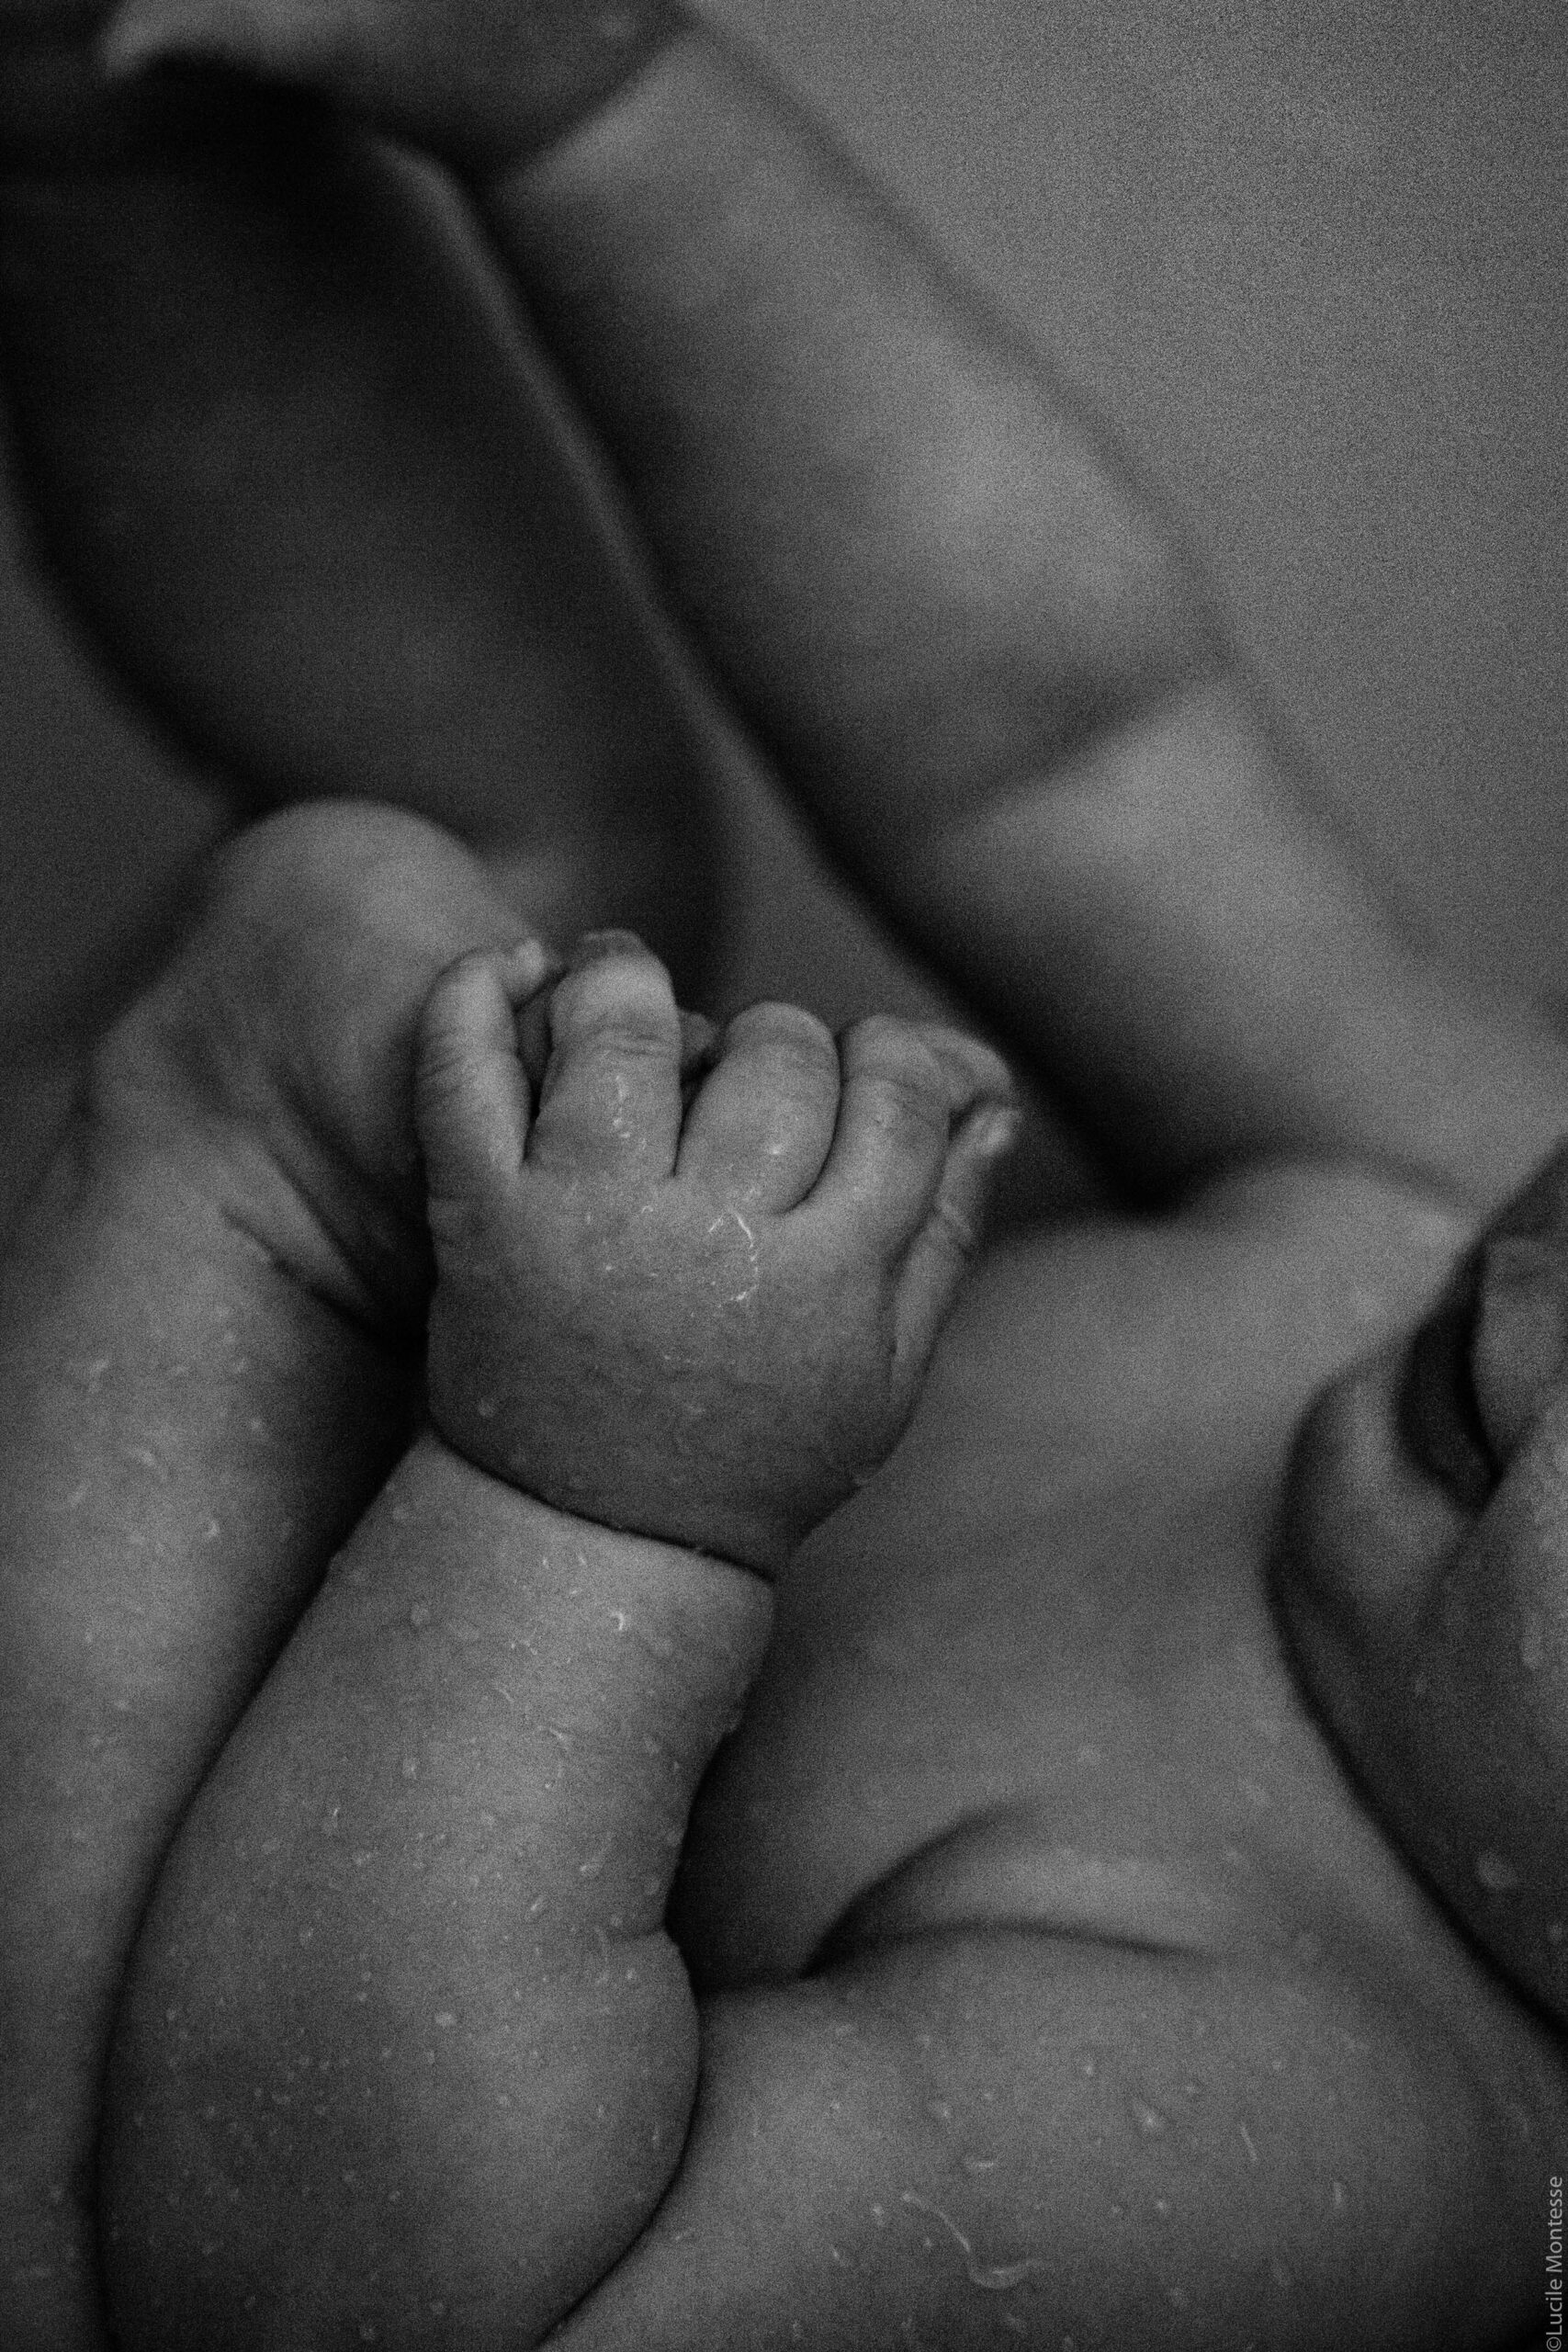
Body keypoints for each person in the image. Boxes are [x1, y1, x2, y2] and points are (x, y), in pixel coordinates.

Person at [0, 5, 1564, 2346]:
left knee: (343, 978)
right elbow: (1058, 742)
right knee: (494, 905)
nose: (1541, 1297)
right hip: (243, 1621)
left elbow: (373, 2306)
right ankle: (104, 114)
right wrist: (608, 116)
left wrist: (597, 1492)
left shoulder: (1316, 2097)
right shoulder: (1438, 1205)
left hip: (104, 2161)